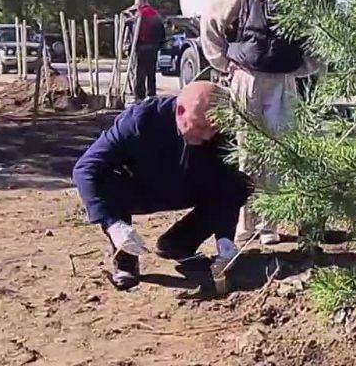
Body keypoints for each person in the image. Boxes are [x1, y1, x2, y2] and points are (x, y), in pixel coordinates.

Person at [72, 82, 252, 290]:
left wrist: (224, 239)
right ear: (181, 110)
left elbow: (226, 180)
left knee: (239, 183)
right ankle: (126, 259)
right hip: (140, 188)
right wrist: (113, 224)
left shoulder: (218, 130)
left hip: (191, 187)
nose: (207, 136)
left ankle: (178, 244)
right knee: (107, 179)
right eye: (201, 126)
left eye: (213, 129)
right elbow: (85, 169)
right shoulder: (141, 120)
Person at [200, 0, 321, 246]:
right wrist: (223, 62)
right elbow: (211, 22)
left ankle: (269, 225)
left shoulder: (301, 2)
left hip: (282, 82)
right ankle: (245, 223)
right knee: (248, 151)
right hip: (247, 78)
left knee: (278, 151)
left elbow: (317, 40)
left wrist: (300, 69)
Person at [126, 0, 166, 103]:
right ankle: (151, 93)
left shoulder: (138, 15)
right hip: (153, 47)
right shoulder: (156, 15)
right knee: (151, 72)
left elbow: (134, 33)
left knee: (139, 72)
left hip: (140, 47)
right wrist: (159, 45)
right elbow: (162, 32)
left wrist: (129, 47)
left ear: (139, 5)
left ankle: (139, 95)